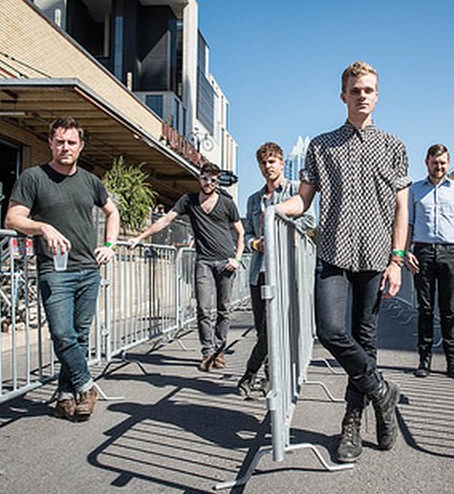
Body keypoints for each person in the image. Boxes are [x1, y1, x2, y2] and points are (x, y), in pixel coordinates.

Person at [275, 61, 410, 463]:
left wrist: (397, 259)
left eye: (368, 90)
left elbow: (402, 208)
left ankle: (352, 422)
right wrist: (274, 212)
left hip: (376, 255)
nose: (361, 96)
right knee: (330, 330)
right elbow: (303, 201)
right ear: (343, 96)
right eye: (355, 90)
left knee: (365, 338)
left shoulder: (394, 146)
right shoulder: (321, 145)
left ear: (377, 96)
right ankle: (382, 392)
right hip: (333, 252)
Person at [5, 117, 120, 421]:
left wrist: (109, 246)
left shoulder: (91, 181)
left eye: (71, 142)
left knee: (79, 336)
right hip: (54, 270)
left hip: (89, 269)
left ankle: (66, 397)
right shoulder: (33, 177)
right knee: (61, 333)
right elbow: (13, 218)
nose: (65, 147)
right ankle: (86, 386)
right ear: (50, 144)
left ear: (80, 147)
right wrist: (42, 227)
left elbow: (112, 212)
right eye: (60, 142)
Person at [130, 161, 245, 371]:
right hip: (204, 261)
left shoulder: (227, 204)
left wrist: (237, 258)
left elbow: (240, 233)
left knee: (224, 309)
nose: (208, 183)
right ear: (199, 178)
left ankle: (219, 351)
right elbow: (165, 220)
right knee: (203, 308)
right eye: (205, 179)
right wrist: (140, 237)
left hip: (226, 262)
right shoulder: (188, 200)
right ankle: (208, 352)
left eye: (213, 180)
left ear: (218, 182)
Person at [237, 142, 316, 397]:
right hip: (259, 271)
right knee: (263, 328)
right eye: (263, 162)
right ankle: (268, 376)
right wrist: (255, 243)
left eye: (272, 161)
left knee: (273, 327)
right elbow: (248, 232)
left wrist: (282, 232)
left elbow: (309, 220)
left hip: (285, 269)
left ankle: (251, 374)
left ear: (282, 163)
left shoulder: (295, 190)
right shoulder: (253, 199)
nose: (267, 166)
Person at [405, 143, 454, 379]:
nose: (439, 166)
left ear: (448, 163)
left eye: (443, 162)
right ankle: (424, 360)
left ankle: (453, 361)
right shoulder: (414, 190)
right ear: (427, 163)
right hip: (423, 252)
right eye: (435, 162)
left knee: (449, 309)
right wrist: (406, 252)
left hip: (451, 252)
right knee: (424, 309)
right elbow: (408, 223)